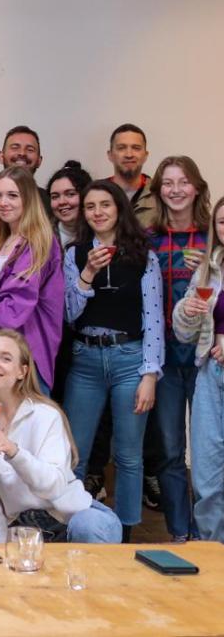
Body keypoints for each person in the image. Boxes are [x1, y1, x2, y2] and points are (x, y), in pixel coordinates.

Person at [62, 180, 164, 542]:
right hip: (86, 359)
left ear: (119, 208)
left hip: (129, 359)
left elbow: (153, 318)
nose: (98, 212)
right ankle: (74, 528)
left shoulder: (143, 256)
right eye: (90, 206)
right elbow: (70, 315)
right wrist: (87, 272)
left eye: (105, 204)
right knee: (74, 453)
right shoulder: (73, 254)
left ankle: (124, 535)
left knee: (128, 456)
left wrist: (150, 374)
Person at [0, 329, 121, 543]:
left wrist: (14, 452)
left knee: (89, 527)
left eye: (6, 358)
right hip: (28, 528)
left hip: (72, 518)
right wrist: (0, 550)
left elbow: (53, 486)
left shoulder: (45, 415)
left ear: (22, 372)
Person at [144, 155, 211, 542]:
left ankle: (208, 531)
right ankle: (180, 532)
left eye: (183, 182)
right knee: (170, 450)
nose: (175, 190)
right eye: (167, 183)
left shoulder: (212, 237)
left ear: (197, 187)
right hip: (165, 358)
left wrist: (209, 269)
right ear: (158, 191)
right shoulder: (150, 239)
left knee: (206, 453)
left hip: (204, 359)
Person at [0, 167, 63, 395]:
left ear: (28, 199)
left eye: (12, 195)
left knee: (25, 427)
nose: (3, 202)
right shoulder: (0, 241)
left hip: (25, 352)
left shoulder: (38, 241)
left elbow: (18, 302)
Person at [171, 195, 224, 541]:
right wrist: (186, 312)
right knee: (207, 473)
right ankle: (212, 551)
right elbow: (183, 332)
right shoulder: (209, 267)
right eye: (221, 222)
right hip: (209, 374)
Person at [106, 123, 155, 226]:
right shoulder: (96, 194)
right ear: (110, 155)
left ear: (145, 155)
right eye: (121, 148)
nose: (129, 154)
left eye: (136, 148)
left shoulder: (160, 193)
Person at [46, 161, 92, 250]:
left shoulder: (101, 232)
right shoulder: (40, 236)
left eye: (70, 194)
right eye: (55, 196)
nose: (61, 202)